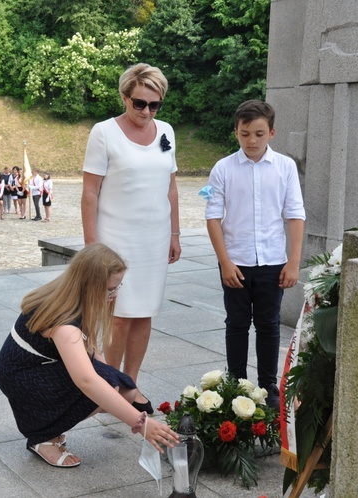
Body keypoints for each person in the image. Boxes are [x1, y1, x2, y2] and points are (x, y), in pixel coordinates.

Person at [0, 243, 179, 468]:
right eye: (110, 289)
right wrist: (140, 423)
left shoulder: (69, 295)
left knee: (126, 390)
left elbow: (88, 342)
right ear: (89, 286)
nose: (114, 295)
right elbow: (86, 380)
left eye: (118, 286)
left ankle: (52, 424)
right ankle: (44, 437)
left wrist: (108, 374)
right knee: (105, 389)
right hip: (22, 377)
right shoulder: (63, 324)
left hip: (37, 364)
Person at [81, 63, 181, 414]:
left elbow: (170, 186)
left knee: (144, 313)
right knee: (118, 315)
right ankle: (109, 384)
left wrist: (175, 233)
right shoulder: (104, 132)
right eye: (139, 103)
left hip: (154, 237)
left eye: (154, 105)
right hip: (116, 238)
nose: (147, 112)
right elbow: (90, 193)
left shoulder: (166, 131)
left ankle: (131, 382)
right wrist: (93, 245)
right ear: (124, 97)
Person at [205, 100, 306, 410]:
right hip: (235, 262)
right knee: (236, 324)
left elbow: (294, 214)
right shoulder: (223, 168)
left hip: (273, 262)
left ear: (271, 133)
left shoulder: (285, 167)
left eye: (259, 134)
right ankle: (236, 385)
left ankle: (267, 387)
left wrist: (293, 261)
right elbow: (213, 217)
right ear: (236, 131)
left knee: (269, 324)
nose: (251, 141)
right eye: (245, 133)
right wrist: (224, 262)